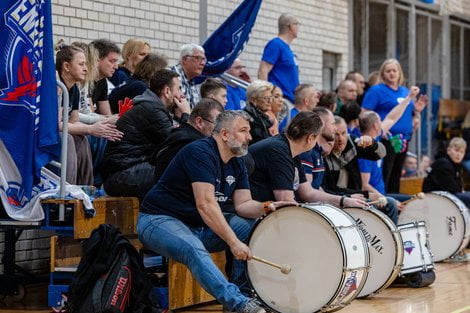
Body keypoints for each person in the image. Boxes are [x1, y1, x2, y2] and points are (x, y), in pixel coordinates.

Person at [137, 111, 293, 313]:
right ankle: (239, 304)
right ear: (225, 134)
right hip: (159, 220)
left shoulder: (238, 161)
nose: (250, 137)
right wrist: (233, 242)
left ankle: (243, 296)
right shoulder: (200, 152)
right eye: (243, 131)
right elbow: (206, 205)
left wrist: (266, 206)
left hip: (198, 226)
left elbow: (243, 204)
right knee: (192, 247)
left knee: (250, 228)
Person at [249, 111, 367, 209]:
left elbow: (308, 192)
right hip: (251, 211)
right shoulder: (279, 151)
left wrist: (343, 200)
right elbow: (286, 201)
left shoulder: (292, 150)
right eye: (317, 137)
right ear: (310, 138)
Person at [101, 69, 190, 199]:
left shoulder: (152, 107)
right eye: (179, 89)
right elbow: (177, 143)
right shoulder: (151, 109)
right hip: (121, 175)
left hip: (131, 170)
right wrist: (186, 115)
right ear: (167, 91)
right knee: (177, 173)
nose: (182, 94)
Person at [56, 44, 123, 185]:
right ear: (67, 67)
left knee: (82, 139)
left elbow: (73, 121)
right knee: (68, 138)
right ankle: (65, 191)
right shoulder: (56, 87)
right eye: (81, 64)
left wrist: (103, 124)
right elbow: (57, 125)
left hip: (61, 129)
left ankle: (85, 188)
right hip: (40, 134)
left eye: (86, 64)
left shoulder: (74, 87)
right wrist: (90, 129)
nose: (86, 68)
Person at [362, 59, 426, 193]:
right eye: (388, 71)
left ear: (399, 73)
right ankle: (384, 200)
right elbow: (365, 113)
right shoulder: (376, 90)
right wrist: (379, 129)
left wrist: (417, 111)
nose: (392, 73)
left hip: (403, 140)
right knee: (387, 173)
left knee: (397, 174)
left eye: (394, 70)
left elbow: (409, 115)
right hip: (386, 138)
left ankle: (394, 202)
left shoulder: (405, 92)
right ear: (383, 74)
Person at [152, 98, 224, 180]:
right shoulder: (194, 144)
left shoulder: (182, 131)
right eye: (216, 125)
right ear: (199, 122)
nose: (218, 130)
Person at [357, 112, 401, 223]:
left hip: (382, 194)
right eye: (380, 121)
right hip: (374, 199)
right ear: (376, 126)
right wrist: (384, 198)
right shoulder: (364, 149)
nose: (382, 123)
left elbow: (391, 118)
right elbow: (364, 185)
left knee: (411, 201)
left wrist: (409, 98)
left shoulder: (375, 140)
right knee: (393, 203)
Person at [258, 13, 300, 103]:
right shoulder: (275, 44)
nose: (298, 27)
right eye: (297, 24)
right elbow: (263, 70)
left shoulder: (287, 48)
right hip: (281, 100)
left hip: (290, 100)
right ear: (291, 26)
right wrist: (266, 97)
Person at [423, 137, 470, 208]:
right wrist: (460, 189)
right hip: (434, 198)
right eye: (456, 150)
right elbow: (453, 188)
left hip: (445, 195)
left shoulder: (455, 164)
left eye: (462, 152)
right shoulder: (443, 163)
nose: (459, 154)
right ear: (448, 150)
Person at [300, 107, 336, 189]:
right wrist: (342, 200)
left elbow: (319, 189)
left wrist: (346, 198)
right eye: (333, 124)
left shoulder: (319, 151)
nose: (335, 128)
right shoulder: (307, 151)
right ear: (321, 123)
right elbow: (306, 194)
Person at [90, 39, 121, 115]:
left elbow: (107, 114)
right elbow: (88, 114)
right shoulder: (85, 80)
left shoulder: (102, 81)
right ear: (97, 59)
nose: (116, 67)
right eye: (112, 61)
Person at [170, 43, 206, 109]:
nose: (202, 63)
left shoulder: (192, 81)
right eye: (197, 58)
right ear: (184, 60)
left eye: (204, 59)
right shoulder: (171, 77)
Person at [244, 80, 274, 145]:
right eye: (266, 98)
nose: (270, 101)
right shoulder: (247, 118)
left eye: (270, 97)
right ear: (253, 99)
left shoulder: (262, 116)